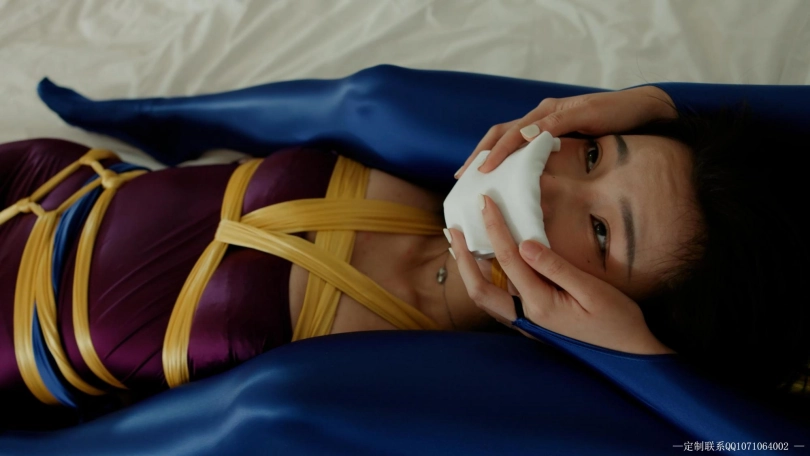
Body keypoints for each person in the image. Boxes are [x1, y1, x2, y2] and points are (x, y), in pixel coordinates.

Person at [3, 66, 807, 430]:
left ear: (613, 313)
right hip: (49, 175)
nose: (551, 178)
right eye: (595, 154)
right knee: (378, 97)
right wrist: (659, 98)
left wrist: (639, 363)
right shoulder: (415, 151)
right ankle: (157, 117)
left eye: (600, 232)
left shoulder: (376, 376)